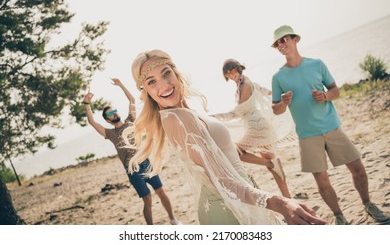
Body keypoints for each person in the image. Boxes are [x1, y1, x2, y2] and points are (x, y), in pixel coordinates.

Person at [124, 49, 328, 225]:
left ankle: (271, 164)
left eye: (166, 73)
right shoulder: (177, 118)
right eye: (151, 82)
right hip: (228, 209)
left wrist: (227, 146)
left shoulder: (184, 113)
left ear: (176, 73)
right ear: (146, 91)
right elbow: (223, 182)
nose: (164, 85)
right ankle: (271, 164)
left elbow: (213, 158)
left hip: (238, 198)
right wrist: (281, 203)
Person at [270, 25, 390, 225]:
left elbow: (336, 90)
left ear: (294, 40)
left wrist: (325, 96)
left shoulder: (317, 64)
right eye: (277, 43)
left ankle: (368, 203)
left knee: (358, 168)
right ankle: (339, 215)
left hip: (332, 127)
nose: (281, 45)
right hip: (307, 135)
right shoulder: (278, 77)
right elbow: (276, 109)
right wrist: (282, 102)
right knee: (322, 181)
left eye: (284, 40)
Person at [83, 78, 181, 225]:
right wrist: (86, 104)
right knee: (147, 199)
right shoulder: (109, 134)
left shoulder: (130, 121)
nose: (114, 114)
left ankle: (173, 220)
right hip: (132, 170)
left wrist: (121, 84)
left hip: (145, 162)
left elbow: (131, 100)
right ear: (108, 120)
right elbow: (92, 122)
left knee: (160, 192)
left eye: (114, 111)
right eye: (110, 114)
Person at [212, 59, 296, 198]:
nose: (231, 75)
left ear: (238, 69)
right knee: (274, 167)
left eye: (232, 71)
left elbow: (237, 112)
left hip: (257, 127)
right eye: (228, 74)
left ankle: (269, 163)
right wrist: (279, 95)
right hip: (258, 126)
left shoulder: (245, 85)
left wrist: (215, 116)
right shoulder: (243, 82)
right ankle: (287, 196)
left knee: (237, 152)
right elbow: (264, 91)